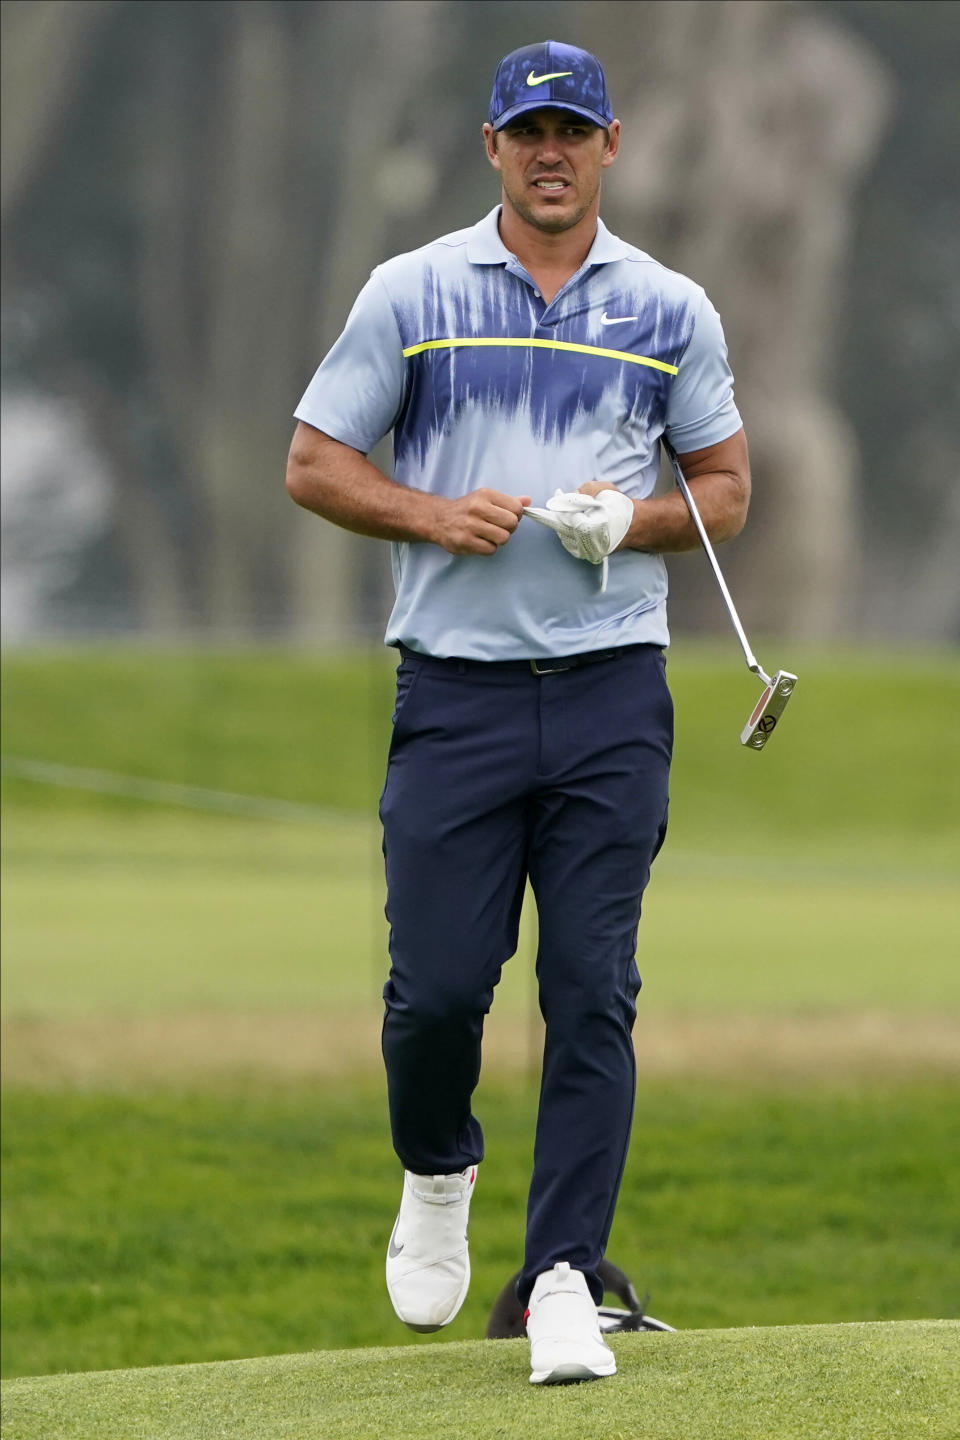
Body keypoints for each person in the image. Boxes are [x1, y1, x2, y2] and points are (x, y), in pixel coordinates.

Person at [286, 39, 750, 1386]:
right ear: (491, 146)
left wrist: (639, 521)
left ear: (613, 146)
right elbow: (316, 462)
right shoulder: (413, 293)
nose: (553, 153)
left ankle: (560, 1276)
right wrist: (432, 513)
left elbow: (723, 492)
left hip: (612, 691)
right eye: (529, 131)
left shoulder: (669, 308)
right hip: (457, 693)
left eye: (576, 131)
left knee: (592, 989)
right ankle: (439, 1168)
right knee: (435, 998)